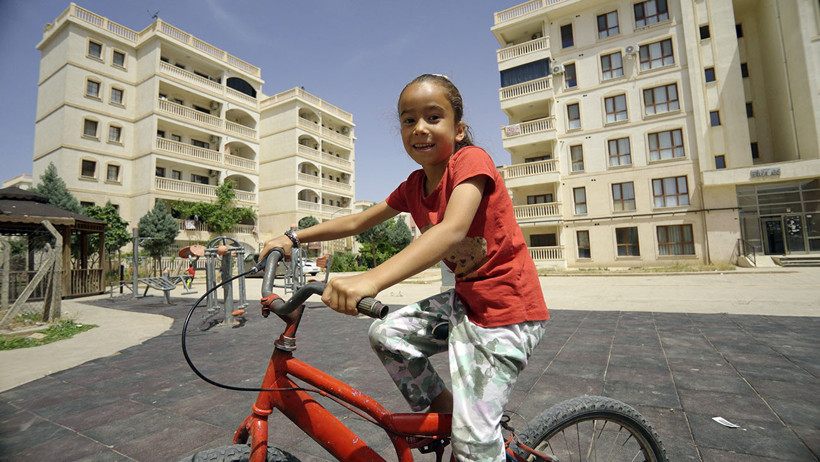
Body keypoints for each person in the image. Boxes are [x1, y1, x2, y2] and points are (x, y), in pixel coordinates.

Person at [260, 74, 549, 461]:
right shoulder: (413, 186)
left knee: (476, 446)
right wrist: (293, 237)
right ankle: (446, 415)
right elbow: (356, 222)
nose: (420, 129)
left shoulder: (470, 162)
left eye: (433, 117)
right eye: (408, 120)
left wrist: (371, 279)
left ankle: (473, 438)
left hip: (508, 312)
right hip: (466, 302)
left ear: (458, 129)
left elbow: (452, 229)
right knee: (386, 334)